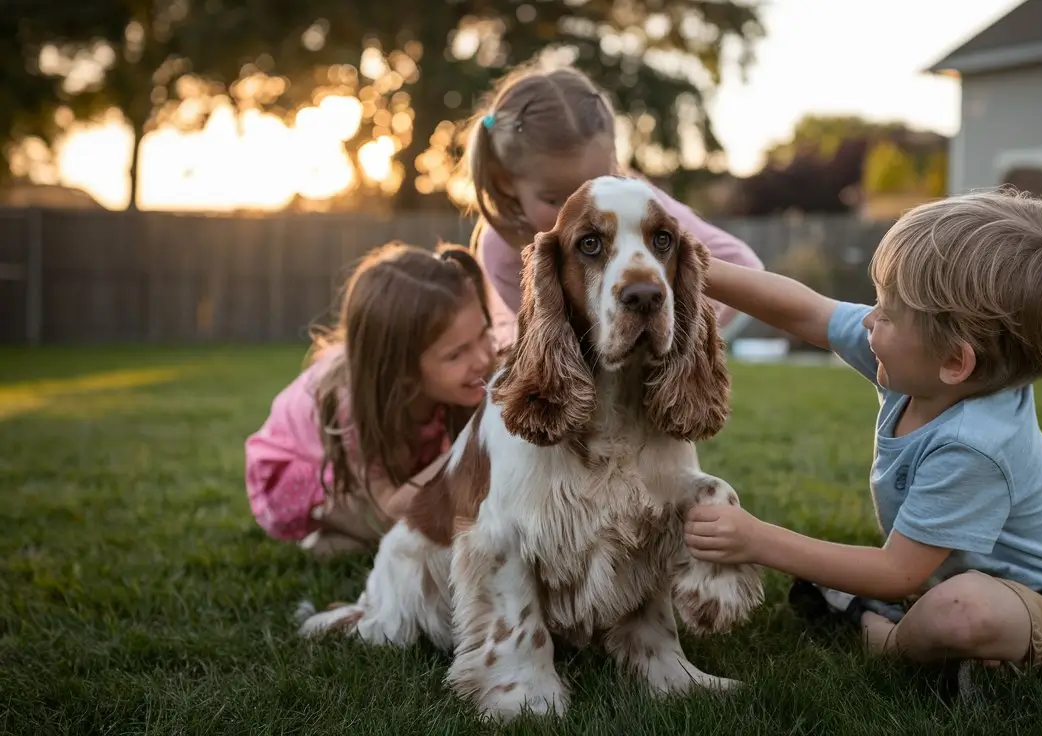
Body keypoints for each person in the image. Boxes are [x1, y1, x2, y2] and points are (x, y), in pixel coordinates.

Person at [682, 188, 1042, 679]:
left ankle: (883, 633)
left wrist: (756, 540)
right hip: (940, 577)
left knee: (963, 611)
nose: (867, 318)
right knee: (949, 602)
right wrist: (692, 265)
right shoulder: (923, 364)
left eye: (886, 312)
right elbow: (808, 312)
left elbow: (896, 572)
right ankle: (929, 633)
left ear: (955, 360)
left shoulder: (976, 442)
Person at [446, 59, 764, 350]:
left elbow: (740, 263)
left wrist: (678, 343)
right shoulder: (502, 250)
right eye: (554, 199)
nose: (581, 213)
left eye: (594, 187)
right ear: (505, 181)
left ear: (613, 165)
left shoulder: (636, 204)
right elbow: (546, 345)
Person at [244, 242, 496, 557]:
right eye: (456, 354)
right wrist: (467, 449)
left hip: (381, 450)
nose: (483, 357)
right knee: (392, 527)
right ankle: (331, 538)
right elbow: (390, 508)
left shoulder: (453, 375)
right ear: (402, 369)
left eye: (484, 333)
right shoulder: (350, 404)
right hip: (299, 470)